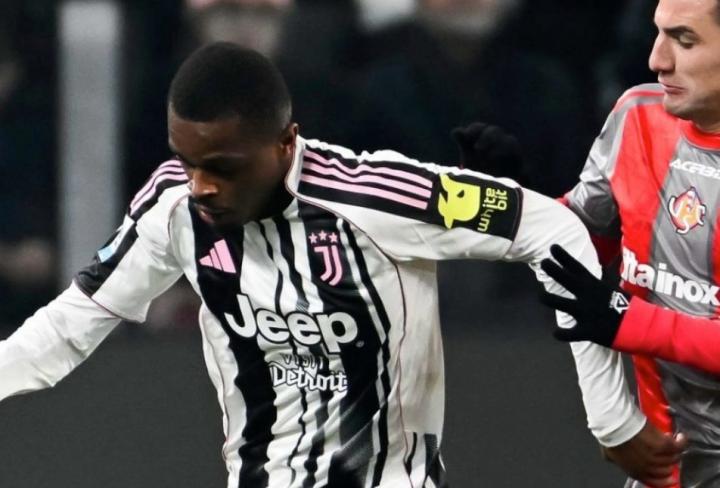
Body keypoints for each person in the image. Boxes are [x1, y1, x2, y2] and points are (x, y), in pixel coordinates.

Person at [0, 42, 644, 487]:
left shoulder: (381, 196)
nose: (201, 185)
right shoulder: (173, 206)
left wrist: (612, 418)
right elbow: (69, 324)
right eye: (187, 160)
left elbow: (551, 226)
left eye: (222, 167)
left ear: (286, 143)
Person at [457, 0, 720, 486]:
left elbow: (619, 315)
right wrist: (519, 202)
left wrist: (626, 320)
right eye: (658, 34)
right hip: (667, 466)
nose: (657, 60)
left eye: (684, 41)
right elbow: (581, 242)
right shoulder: (637, 115)